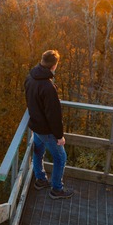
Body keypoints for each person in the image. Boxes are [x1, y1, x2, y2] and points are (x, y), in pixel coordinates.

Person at [24, 49, 73, 199]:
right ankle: (56, 189)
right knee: (60, 158)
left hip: (36, 126)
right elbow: (54, 116)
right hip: (46, 129)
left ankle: (40, 180)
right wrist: (59, 136)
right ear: (54, 65)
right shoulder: (47, 87)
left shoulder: (30, 78)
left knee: (38, 152)